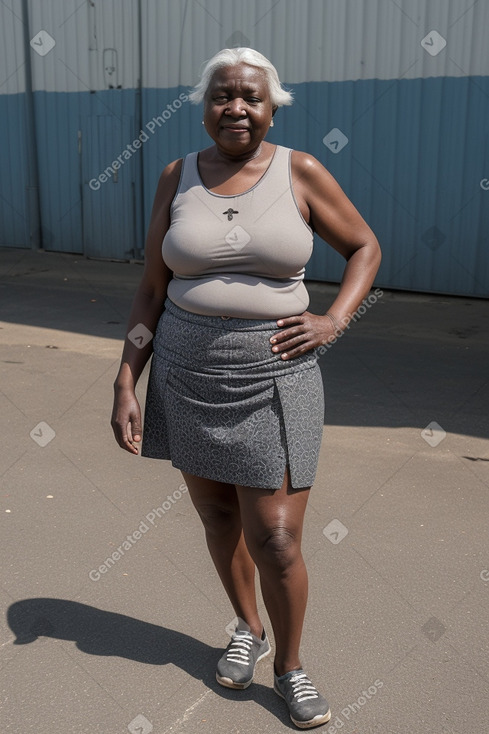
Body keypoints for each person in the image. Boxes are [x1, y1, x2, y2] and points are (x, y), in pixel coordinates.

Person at [111, 47, 381, 730]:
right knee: (217, 518)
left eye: (250, 97)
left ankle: (289, 666)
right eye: (221, 95)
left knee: (278, 539)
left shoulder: (302, 171)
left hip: (275, 374)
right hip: (184, 368)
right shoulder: (176, 176)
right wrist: (125, 378)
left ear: (270, 106)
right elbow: (152, 287)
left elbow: (364, 247)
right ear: (204, 106)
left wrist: (333, 319)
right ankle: (246, 628)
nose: (235, 107)